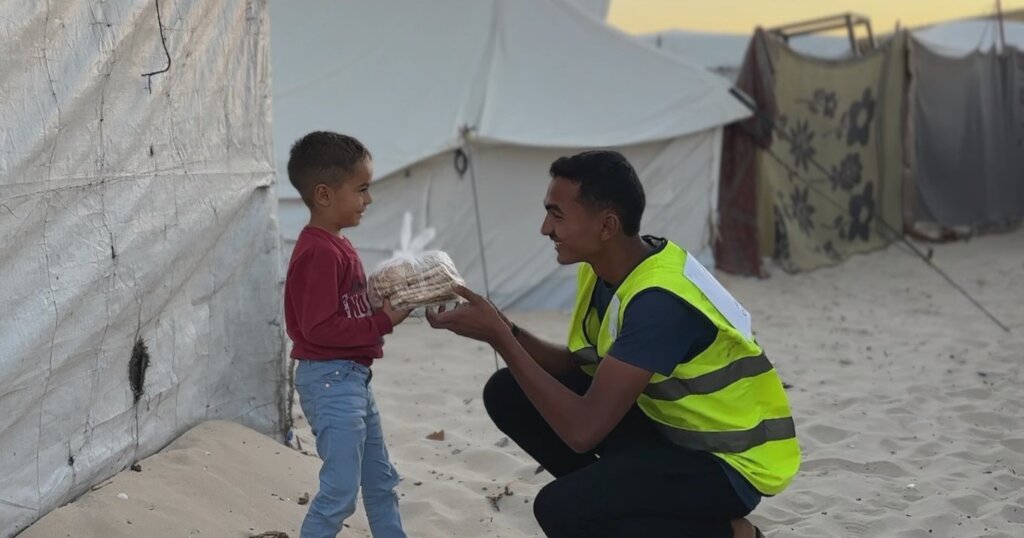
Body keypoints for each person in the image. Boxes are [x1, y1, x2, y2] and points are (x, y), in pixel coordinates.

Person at [427, 150, 799, 538]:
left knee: (560, 510)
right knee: (507, 391)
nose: (545, 229)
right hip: (672, 433)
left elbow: (583, 431)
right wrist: (506, 327)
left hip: (727, 466)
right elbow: (578, 367)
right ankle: (629, 508)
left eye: (557, 215)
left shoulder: (660, 301)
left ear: (606, 226)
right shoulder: (610, 270)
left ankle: (728, 533)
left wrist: (500, 339)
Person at [284, 131, 411, 538]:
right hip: (330, 380)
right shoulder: (319, 251)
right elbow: (317, 328)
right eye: (361, 190)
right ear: (324, 195)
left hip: (352, 379)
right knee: (340, 491)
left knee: (380, 481)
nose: (368, 200)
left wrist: (376, 302)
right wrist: (383, 322)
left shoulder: (339, 245)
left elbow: (340, 311)